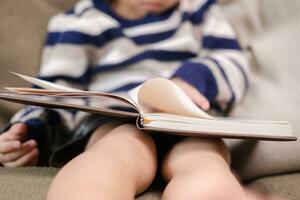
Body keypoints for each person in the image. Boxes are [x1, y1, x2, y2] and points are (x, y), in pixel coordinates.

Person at [0, 0, 271, 199]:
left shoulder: (199, 11)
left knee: (205, 162)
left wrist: (192, 79)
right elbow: (56, 90)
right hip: (118, 121)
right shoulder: (78, 21)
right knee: (114, 153)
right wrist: (28, 131)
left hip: (188, 122)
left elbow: (234, 62)